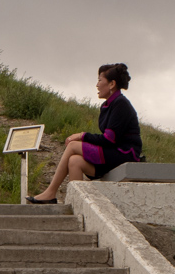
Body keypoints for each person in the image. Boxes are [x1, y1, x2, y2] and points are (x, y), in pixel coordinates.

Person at [27, 63, 142, 203]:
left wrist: (82, 135)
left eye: (100, 80)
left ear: (112, 84)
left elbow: (109, 139)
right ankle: (76, 204)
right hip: (112, 153)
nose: (97, 85)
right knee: (74, 161)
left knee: (73, 146)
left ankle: (51, 192)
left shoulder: (121, 103)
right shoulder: (109, 105)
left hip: (124, 154)